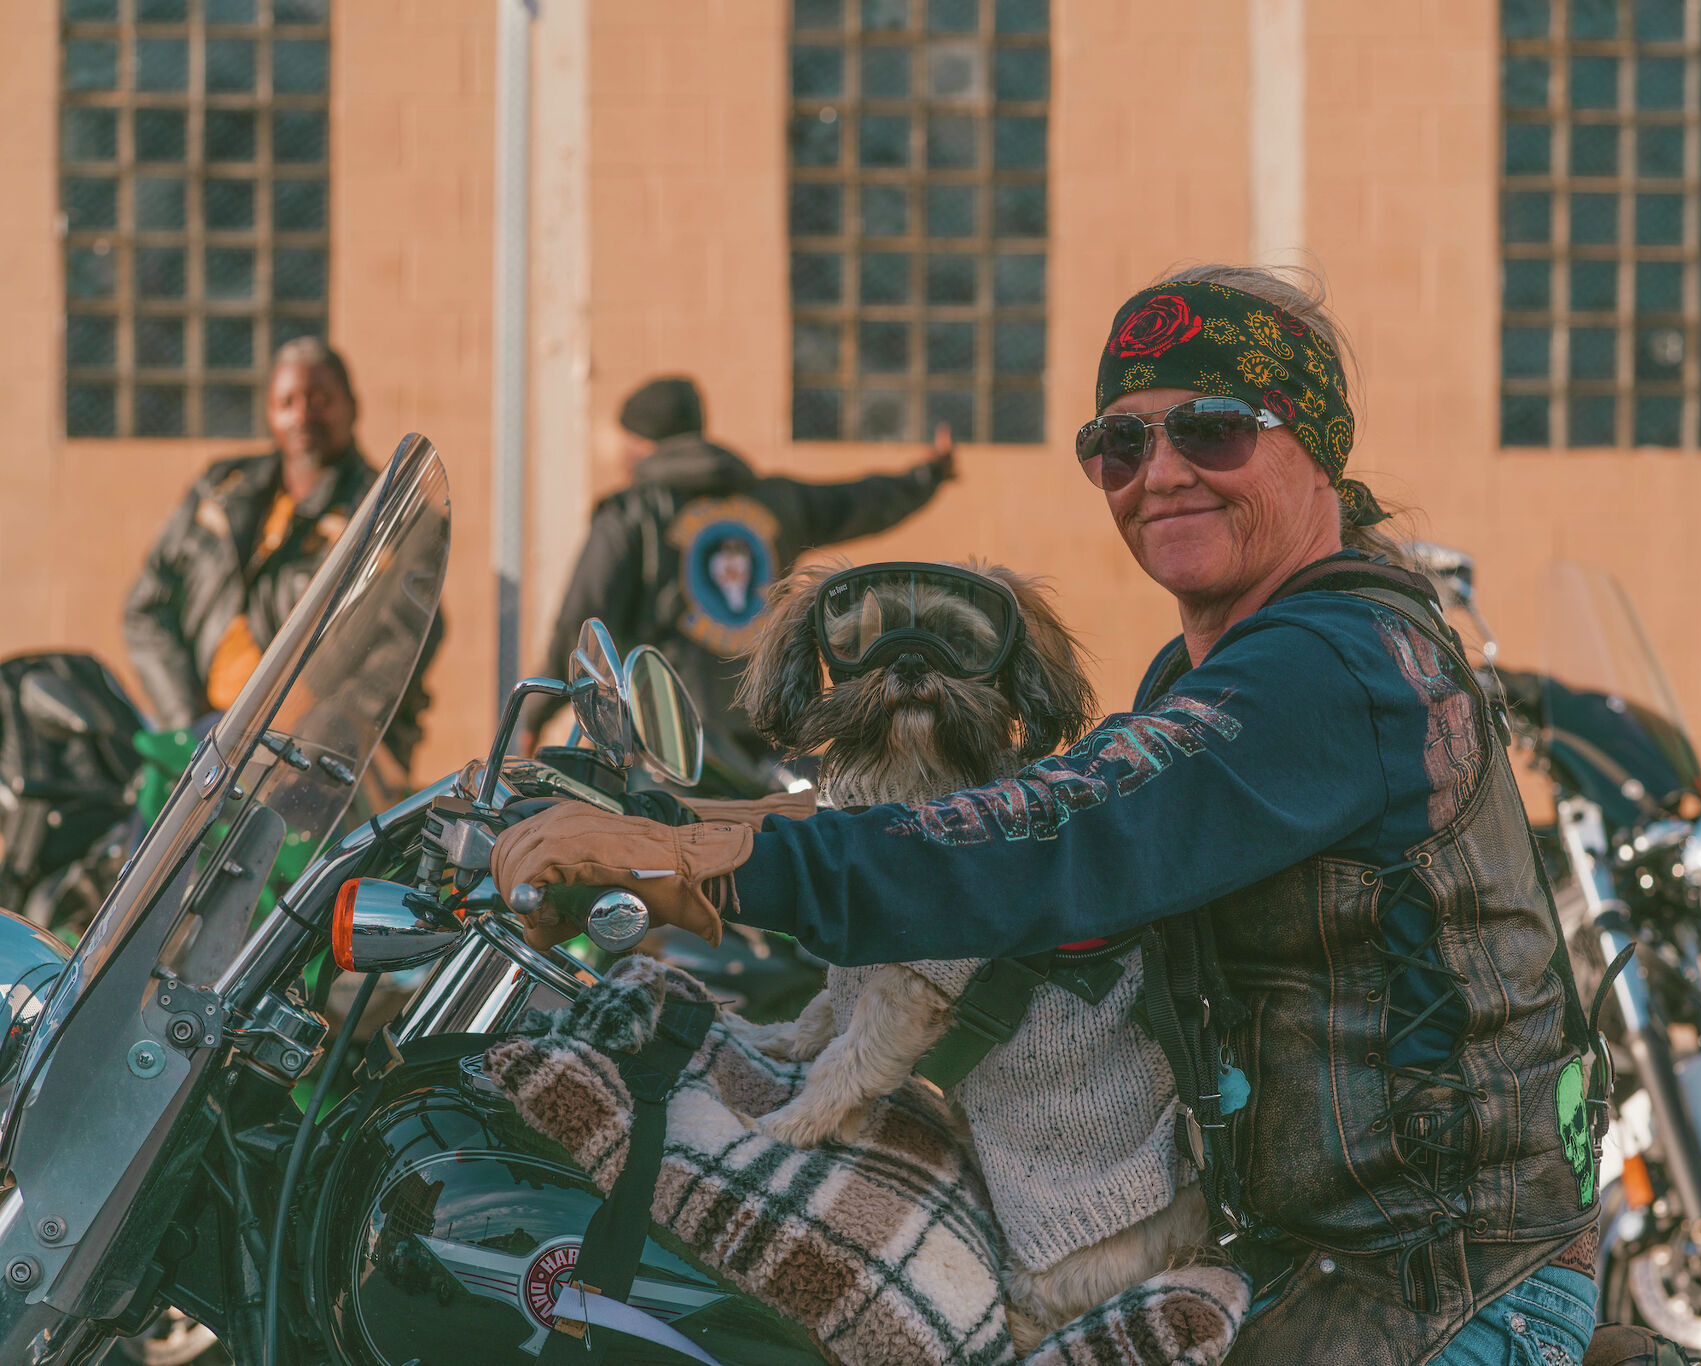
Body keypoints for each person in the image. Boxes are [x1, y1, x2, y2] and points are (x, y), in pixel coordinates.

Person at [493, 267, 1603, 1365]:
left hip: (1439, 1300)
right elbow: (993, 810)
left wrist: (700, 862)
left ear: (1312, 444)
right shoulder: (1228, 662)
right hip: (1307, 1268)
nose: (1158, 474)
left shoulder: (1328, 670)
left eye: (1210, 431)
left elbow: (1064, 830)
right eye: (1118, 445)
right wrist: (672, 817)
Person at [522, 375, 957, 767]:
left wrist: (532, 716)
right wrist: (928, 475)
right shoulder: (777, 500)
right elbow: (859, 501)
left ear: (640, 444)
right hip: (765, 733)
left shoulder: (630, 513)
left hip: (666, 743)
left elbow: (581, 622)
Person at [123, 338, 438, 771]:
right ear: (270, 412)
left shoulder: (392, 511)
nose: (303, 414)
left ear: (352, 406)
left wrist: (313, 735)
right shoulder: (220, 489)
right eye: (287, 401)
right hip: (204, 742)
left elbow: (407, 639)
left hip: (316, 768)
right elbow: (146, 608)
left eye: (320, 399)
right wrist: (188, 723)